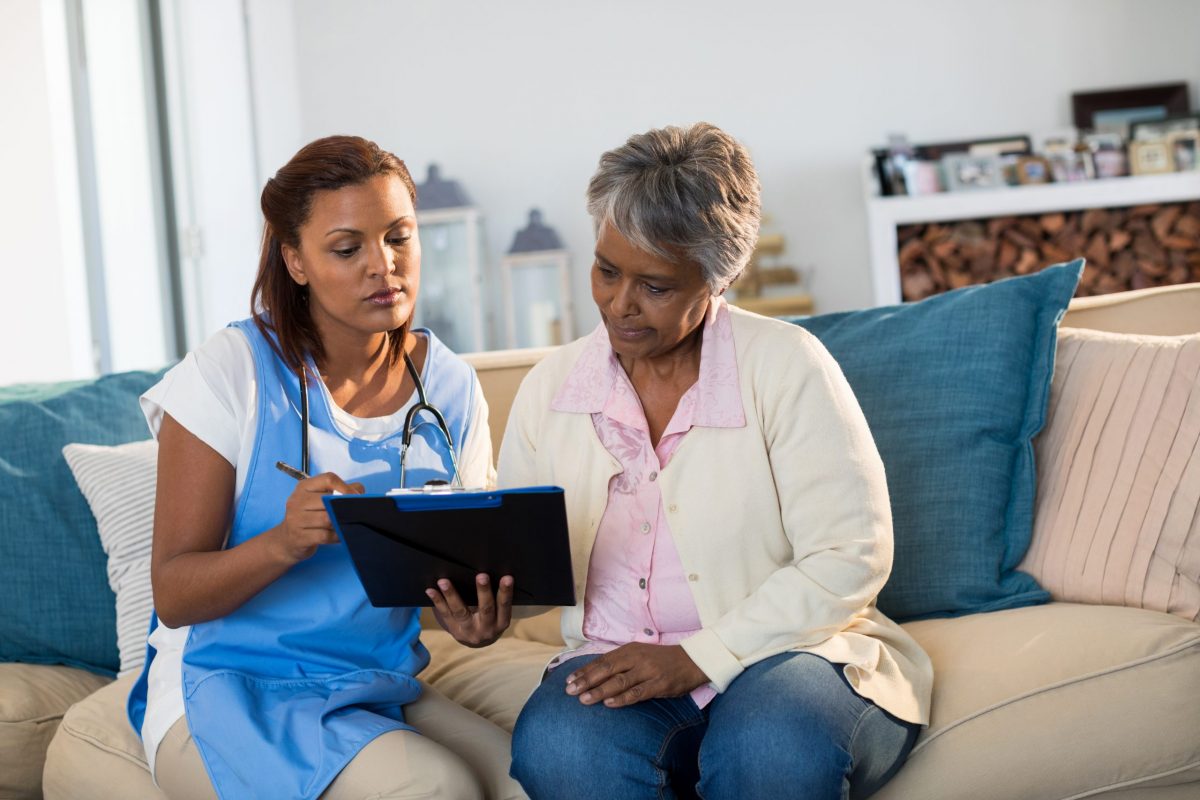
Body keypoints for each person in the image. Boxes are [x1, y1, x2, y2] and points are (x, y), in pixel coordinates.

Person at [502, 123, 933, 800]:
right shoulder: (549, 390)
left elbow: (851, 553)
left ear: (719, 276)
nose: (620, 304)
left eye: (656, 286)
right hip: (615, 661)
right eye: (607, 271)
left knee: (771, 745)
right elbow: (528, 568)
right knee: (559, 747)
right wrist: (492, 611)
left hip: (789, 655)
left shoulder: (786, 365)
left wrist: (697, 657)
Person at [126, 135, 523, 800]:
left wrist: (475, 622)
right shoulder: (230, 373)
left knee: (533, 777)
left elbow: (450, 575)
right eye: (348, 248)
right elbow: (174, 593)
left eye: (399, 238)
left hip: (372, 681)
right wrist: (283, 543)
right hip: (230, 685)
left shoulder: (450, 386)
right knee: (435, 787)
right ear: (296, 260)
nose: (383, 265)